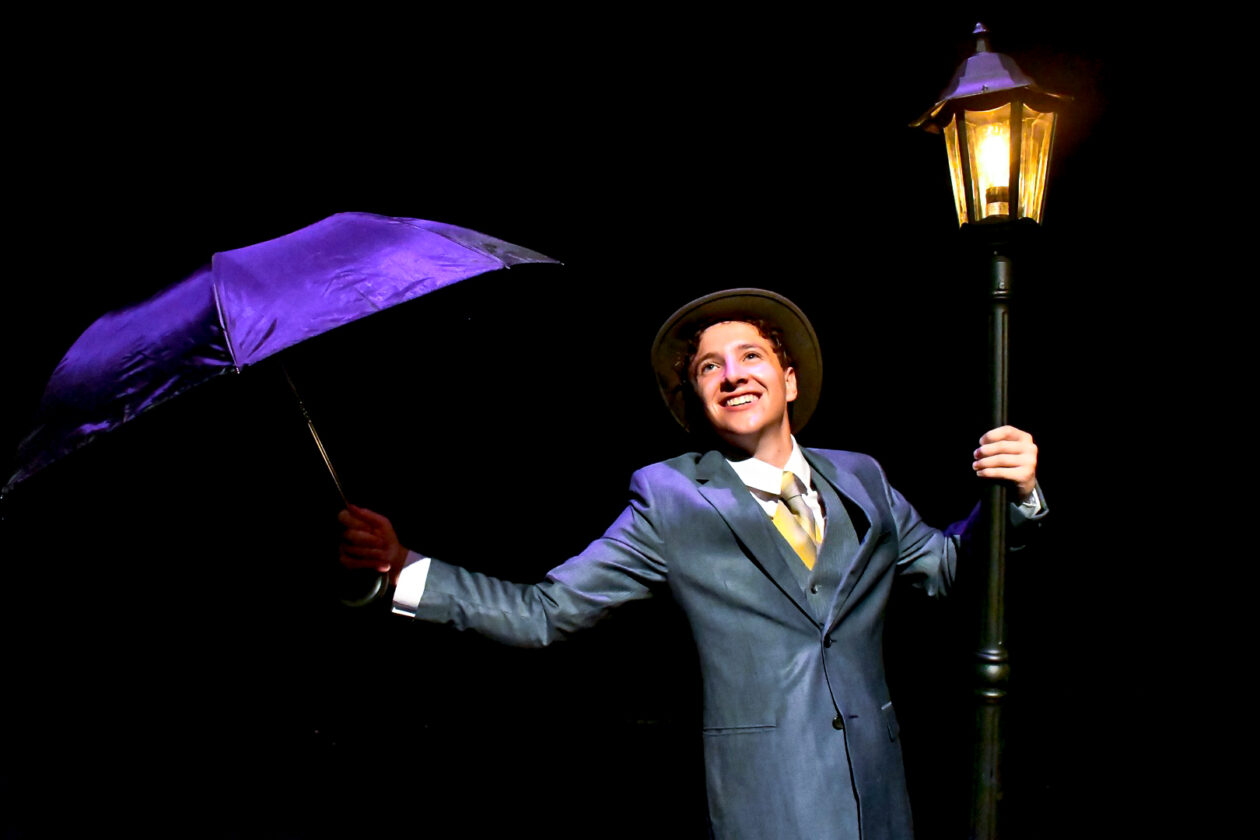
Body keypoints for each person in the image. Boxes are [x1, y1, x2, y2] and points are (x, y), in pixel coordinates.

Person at [338, 288, 1043, 840]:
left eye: (750, 357)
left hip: (883, 799)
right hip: (765, 807)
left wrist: (1012, 501)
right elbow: (544, 613)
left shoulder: (862, 478)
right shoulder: (669, 497)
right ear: (698, 401)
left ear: (789, 380)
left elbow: (952, 569)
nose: (732, 375)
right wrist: (405, 568)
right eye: (710, 367)